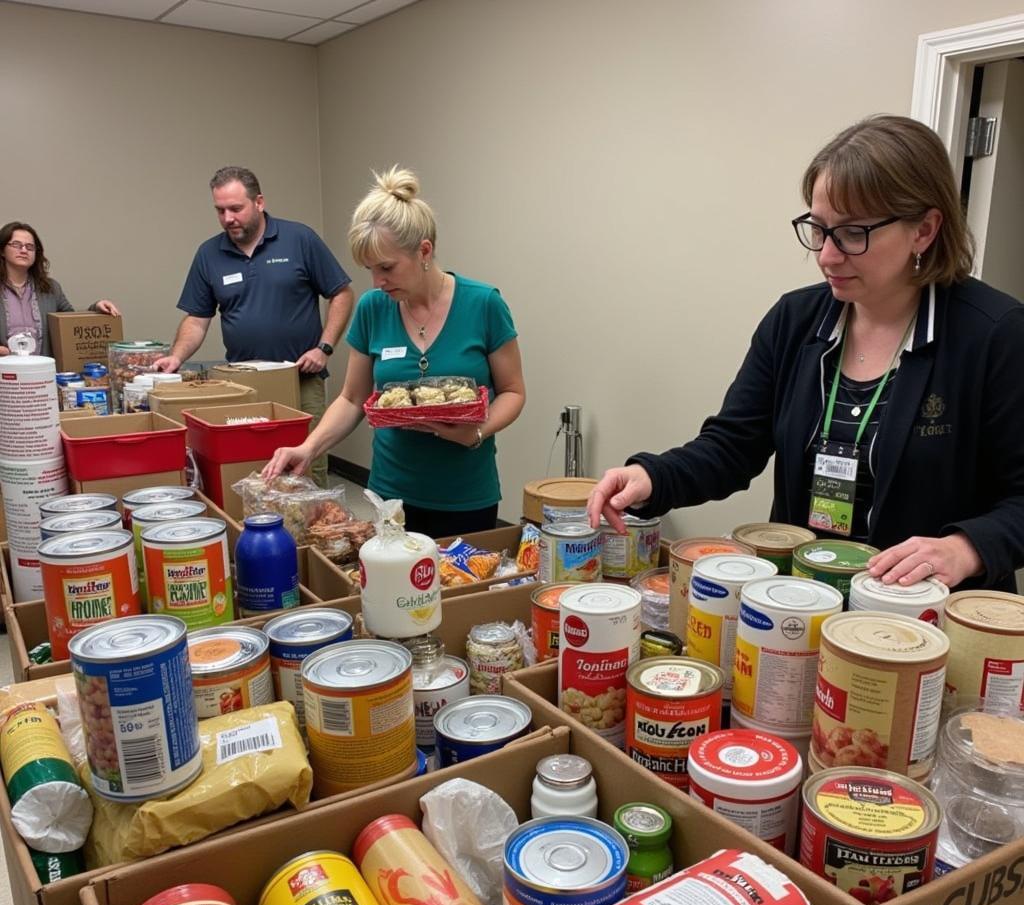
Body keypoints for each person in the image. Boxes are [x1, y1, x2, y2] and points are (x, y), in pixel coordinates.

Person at [589, 115, 1024, 593]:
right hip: (801, 602)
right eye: (818, 229)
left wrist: (965, 548)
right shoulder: (795, 321)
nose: (826, 256)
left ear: (924, 229)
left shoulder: (995, 335)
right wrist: (652, 476)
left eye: (853, 233)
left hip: (925, 617)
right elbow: (733, 446)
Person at [263, 166, 526, 537]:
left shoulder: (483, 304)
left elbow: (513, 393)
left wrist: (476, 433)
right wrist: (308, 447)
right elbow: (353, 399)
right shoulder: (373, 308)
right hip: (391, 497)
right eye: (369, 269)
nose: (377, 282)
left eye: (386, 267)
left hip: (465, 496)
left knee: (461, 593)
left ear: (424, 251)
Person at [154, 167, 354, 486]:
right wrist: (176, 357)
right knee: (253, 466)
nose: (228, 218)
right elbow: (197, 318)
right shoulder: (209, 254)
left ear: (259, 202)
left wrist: (324, 348)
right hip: (243, 385)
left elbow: (341, 293)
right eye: (220, 210)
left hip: (300, 379)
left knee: (307, 466)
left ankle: (310, 535)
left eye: (236, 208)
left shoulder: (299, 238)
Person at [0, 222, 120, 357]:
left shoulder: (50, 288)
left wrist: (97, 308)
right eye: (16, 245)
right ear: (2, 250)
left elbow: (71, 323)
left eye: (30, 247)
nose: (24, 250)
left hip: (42, 372)